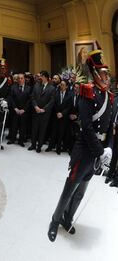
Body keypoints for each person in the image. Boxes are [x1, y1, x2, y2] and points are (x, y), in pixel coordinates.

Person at [47, 45, 115, 242]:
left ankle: (68, 219)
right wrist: (100, 151)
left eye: (107, 73)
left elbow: (110, 125)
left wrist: (109, 147)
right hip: (85, 149)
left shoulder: (108, 96)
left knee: (81, 191)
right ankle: (55, 220)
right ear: (94, 73)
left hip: (98, 150)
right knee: (70, 188)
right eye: (102, 73)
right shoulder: (87, 93)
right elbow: (85, 126)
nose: (106, 76)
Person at [28, 71, 56, 153]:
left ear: (45, 77)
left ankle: (39, 146)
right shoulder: (36, 85)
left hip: (45, 113)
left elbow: (52, 101)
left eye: (41, 76)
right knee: (34, 129)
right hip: (36, 111)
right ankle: (33, 145)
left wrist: (44, 109)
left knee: (42, 130)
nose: (40, 77)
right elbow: (32, 97)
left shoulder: (52, 88)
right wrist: (35, 106)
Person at [46, 80, 72, 154]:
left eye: (63, 85)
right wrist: (57, 113)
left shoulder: (70, 95)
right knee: (53, 132)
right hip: (55, 116)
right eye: (61, 84)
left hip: (64, 117)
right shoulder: (56, 93)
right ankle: (50, 146)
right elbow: (53, 104)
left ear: (66, 86)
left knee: (61, 133)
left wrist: (62, 113)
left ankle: (58, 148)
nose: (61, 86)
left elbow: (69, 107)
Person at [7, 73, 30, 146]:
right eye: (19, 78)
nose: (20, 80)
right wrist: (15, 108)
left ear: (24, 79)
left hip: (24, 111)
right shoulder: (13, 87)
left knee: (23, 126)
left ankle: (21, 141)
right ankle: (12, 139)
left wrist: (24, 109)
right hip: (15, 110)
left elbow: (29, 100)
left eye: (21, 78)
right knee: (13, 125)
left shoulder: (29, 88)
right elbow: (11, 98)